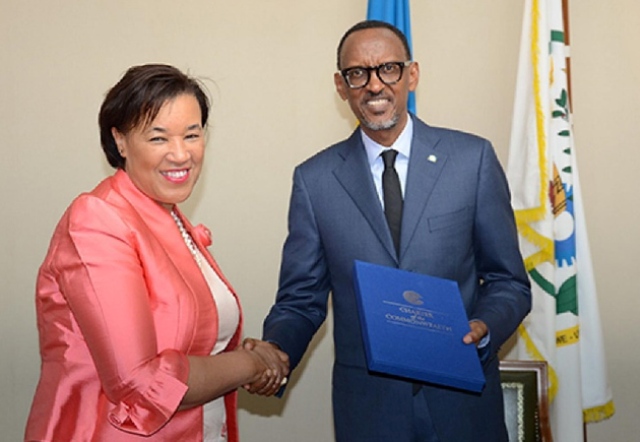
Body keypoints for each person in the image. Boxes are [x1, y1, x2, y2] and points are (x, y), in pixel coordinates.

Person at [257, 20, 532, 441]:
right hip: (370, 411)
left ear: (411, 74)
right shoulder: (315, 181)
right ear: (340, 85)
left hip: (463, 401)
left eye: (388, 69)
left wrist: (483, 327)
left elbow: (509, 282)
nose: (374, 85)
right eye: (358, 74)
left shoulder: (471, 160)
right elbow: (300, 301)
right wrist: (274, 351)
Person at [24, 64, 288, 442]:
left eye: (192, 135)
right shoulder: (98, 219)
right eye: (158, 138)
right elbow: (141, 383)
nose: (180, 154)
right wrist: (249, 364)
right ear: (120, 141)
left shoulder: (172, 219)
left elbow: (195, 342)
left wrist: (250, 355)